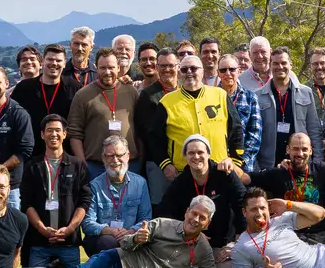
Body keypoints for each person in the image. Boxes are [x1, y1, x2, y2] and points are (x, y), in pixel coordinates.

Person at [53, 196, 224, 268]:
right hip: (116, 260)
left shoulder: (203, 249)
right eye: (194, 213)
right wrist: (136, 239)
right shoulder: (162, 224)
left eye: (202, 218)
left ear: (207, 223)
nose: (196, 220)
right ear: (187, 212)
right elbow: (126, 244)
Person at [155, 135, 248, 268]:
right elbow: (164, 212)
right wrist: (188, 231)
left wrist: (238, 240)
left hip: (221, 244)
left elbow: (242, 203)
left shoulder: (224, 175)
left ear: (209, 154)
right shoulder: (180, 182)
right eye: (191, 153)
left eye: (200, 152)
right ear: (185, 157)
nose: (196, 156)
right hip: (191, 243)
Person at [154, 56, 243, 182]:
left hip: (220, 169)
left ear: (202, 72)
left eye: (194, 68)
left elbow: (236, 130)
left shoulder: (220, 95)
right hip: (183, 173)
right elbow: (155, 138)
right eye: (184, 69)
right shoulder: (166, 102)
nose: (189, 72)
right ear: (179, 74)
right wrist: (165, 164)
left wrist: (236, 161)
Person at [21, 115, 89, 268]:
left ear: (65, 134)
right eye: (49, 130)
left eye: (58, 130)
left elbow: (84, 201)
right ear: (42, 135)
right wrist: (42, 229)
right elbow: (26, 202)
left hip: (69, 242)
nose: (53, 134)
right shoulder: (32, 166)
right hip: (39, 242)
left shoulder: (77, 165)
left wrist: (70, 228)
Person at [68, 51, 138, 178]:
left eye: (111, 67)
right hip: (96, 167)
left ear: (118, 68)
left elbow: (140, 127)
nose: (107, 72)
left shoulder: (131, 91)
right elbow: (74, 133)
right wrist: (83, 164)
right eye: (103, 68)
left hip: (130, 164)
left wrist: (141, 159)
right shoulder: (83, 95)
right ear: (96, 68)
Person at [80, 136, 152, 256]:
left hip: (132, 236)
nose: (115, 160)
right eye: (110, 156)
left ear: (128, 156)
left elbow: (146, 218)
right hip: (105, 240)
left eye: (119, 155)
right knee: (107, 242)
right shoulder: (94, 185)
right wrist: (111, 231)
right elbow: (87, 223)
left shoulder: (140, 183)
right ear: (103, 158)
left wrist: (130, 231)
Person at [131, 49, 179, 202]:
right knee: (161, 202)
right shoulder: (148, 95)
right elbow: (146, 132)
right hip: (158, 161)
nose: (166, 69)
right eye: (162, 66)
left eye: (170, 65)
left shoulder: (185, 89)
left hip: (183, 157)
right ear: (157, 67)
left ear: (178, 66)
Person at [12, 44, 75, 142]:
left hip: (64, 149)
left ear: (64, 64)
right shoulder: (23, 88)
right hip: (31, 149)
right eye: (50, 59)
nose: (54, 63)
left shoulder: (75, 88)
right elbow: (8, 112)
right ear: (43, 62)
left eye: (58, 60)